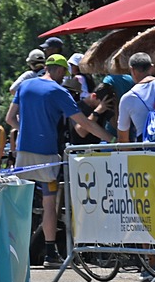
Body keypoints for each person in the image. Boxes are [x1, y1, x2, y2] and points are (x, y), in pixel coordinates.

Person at [7, 59, 112, 257]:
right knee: (49, 204)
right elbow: (84, 124)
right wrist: (111, 138)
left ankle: (15, 250)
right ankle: (50, 251)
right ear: (61, 71)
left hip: (23, 153)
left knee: (21, 203)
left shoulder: (25, 86)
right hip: (47, 155)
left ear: (45, 67)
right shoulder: (59, 92)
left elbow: (10, 118)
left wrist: (25, 131)